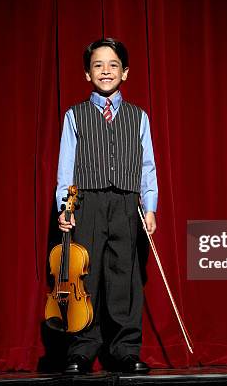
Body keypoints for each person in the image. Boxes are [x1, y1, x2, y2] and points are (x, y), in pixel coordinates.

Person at [55, 38, 158, 374]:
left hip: (127, 204)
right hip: (87, 202)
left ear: (125, 73)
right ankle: (82, 349)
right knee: (86, 277)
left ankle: (125, 350)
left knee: (124, 278)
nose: (105, 71)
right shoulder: (75, 116)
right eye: (98, 65)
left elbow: (147, 166)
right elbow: (66, 165)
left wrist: (150, 205)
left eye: (113, 65)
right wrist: (64, 206)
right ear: (87, 74)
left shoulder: (138, 117)